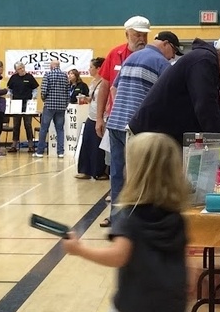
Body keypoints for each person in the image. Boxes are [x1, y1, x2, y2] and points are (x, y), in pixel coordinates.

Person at [61, 132, 204, 312]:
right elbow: (184, 262)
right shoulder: (176, 218)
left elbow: (118, 256)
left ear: (135, 171)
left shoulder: (127, 217)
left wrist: (80, 250)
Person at [99, 33, 179, 226]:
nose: (172, 57)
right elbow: (167, 100)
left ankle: (118, 221)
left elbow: (113, 88)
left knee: (117, 175)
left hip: (115, 123)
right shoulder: (162, 64)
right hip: (135, 128)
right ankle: (136, 224)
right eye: (173, 52)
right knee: (140, 177)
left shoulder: (131, 57)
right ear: (166, 45)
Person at [128, 28, 220, 146]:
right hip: (148, 140)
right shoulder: (203, 61)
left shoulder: (209, 64)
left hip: (158, 137)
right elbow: (206, 110)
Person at [93, 16, 151, 140]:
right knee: (113, 159)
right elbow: (104, 87)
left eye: (144, 35)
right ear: (127, 34)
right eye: (137, 35)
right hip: (115, 118)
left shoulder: (152, 58)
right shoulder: (114, 54)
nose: (142, 39)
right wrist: (99, 118)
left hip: (141, 120)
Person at [76, 56, 108, 180]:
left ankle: (100, 171)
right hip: (91, 116)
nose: (89, 69)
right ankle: (85, 170)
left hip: (101, 117)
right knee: (87, 143)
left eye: (91, 67)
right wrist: (86, 99)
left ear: (99, 68)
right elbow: (94, 99)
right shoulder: (93, 82)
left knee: (99, 146)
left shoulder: (105, 82)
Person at [36, 59, 70, 158]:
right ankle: (60, 152)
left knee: (43, 129)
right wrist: (65, 103)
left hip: (50, 105)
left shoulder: (48, 74)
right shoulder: (65, 75)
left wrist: (44, 99)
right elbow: (68, 91)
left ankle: (40, 152)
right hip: (61, 106)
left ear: (52, 66)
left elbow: (44, 90)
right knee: (60, 129)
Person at [5, 62, 39, 152]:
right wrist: (9, 96)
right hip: (16, 103)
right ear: (16, 70)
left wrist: (34, 97)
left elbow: (35, 89)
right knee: (16, 125)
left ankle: (31, 145)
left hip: (27, 103)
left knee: (28, 124)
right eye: (20, 68)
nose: (22, 69)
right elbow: (10, 89)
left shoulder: (29, 77)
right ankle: (14, 145)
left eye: (23, 67)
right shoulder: (13, 78)